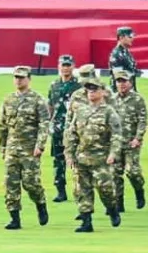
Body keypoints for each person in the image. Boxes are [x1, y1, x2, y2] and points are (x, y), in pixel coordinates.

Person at [65, 76, 123, 233]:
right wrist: (69, 154)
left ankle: (112, 209)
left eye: (95, 89)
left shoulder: (109, 112)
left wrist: (113, 154)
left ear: (103, 92)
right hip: (82, 157)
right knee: (81, 190)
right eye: (88, 89)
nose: (91, 92)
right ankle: (86, 221)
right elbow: (72, 134)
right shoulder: (81, 111)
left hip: (101, 158)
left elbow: (116, 136)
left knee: (105, 189)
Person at [0, 65, 51, 230]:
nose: (18, 80)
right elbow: (3, 125)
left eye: (21, 77)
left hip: (29, 148)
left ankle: (40, 204)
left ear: (29, 79)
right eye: (16, 77)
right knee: (10, 183)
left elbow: (44, 124)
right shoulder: (8, 100)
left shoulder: (38, 100)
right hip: (12, 148)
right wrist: (2, 147)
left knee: (30, 182)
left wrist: (40, 145)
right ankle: (15, 218)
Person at [111, 70, 148, 212]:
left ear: (130, 83)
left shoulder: (138, 100)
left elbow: (142, 120)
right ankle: (119, 202)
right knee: (115, 173)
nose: (121, 84)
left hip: (131, 142)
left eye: (124, 81)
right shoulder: (112, 100)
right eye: (119, 81)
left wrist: (138, 138)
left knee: (132, 172)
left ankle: (139, 191)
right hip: (116, 143)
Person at [47, 54, 82, 203]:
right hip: (57, 129)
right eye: (63, 65)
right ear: (58, 66)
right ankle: (60, 191)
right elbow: (50, 104)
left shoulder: (79, 86)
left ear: (73, 66)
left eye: (68, 65)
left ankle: (79, 192)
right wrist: (49, 122)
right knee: (58, 161)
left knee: (76, 161)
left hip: (73, 130)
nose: (66, 68)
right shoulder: (54, 85)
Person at [109, 26, 141, 92]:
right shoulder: (117, 54)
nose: (132, 38)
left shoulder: (125, 52)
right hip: (121, 92)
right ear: (121, 37)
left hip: (129, 90)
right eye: (129, 36)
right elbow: (118, 77)